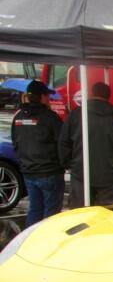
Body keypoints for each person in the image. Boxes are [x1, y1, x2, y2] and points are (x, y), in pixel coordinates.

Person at [59, 82, 113, 208]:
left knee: (80, 215)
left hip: (80, 172)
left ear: (91, 93)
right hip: (110, 174)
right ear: (108, 96)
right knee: (109, 215)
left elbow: (64, 142)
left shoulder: (76, 114)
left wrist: (67, 164)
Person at [11, 80, 64, 226]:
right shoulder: (50, 117)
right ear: (41, 97)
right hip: (50, 172)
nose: (49, 99)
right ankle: (48, 244)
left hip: (29, 172)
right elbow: (63, 143)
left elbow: (15, 143)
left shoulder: (18, 116)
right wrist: (63, 163)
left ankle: (30, 243)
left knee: (34, 210)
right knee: (51, 214)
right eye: (47, 96)